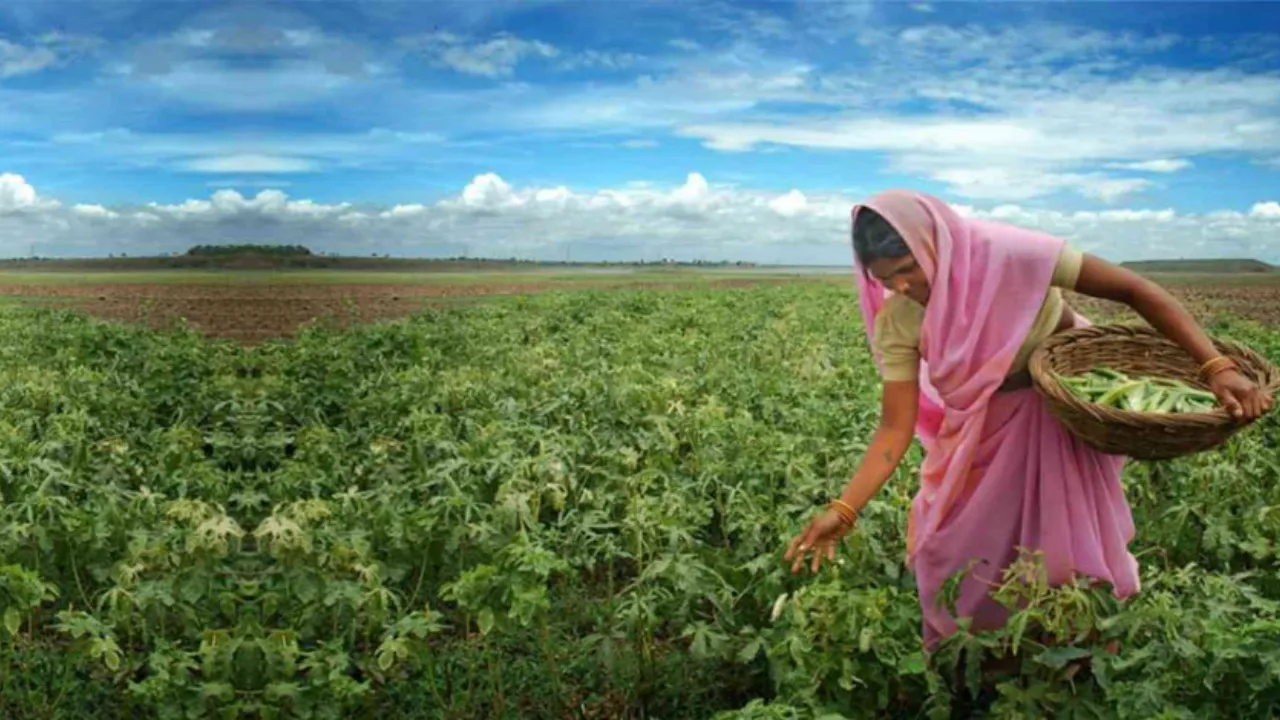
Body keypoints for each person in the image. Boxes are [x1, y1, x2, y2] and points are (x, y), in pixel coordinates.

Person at [784, 189, 1274, 652]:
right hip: (978, 433)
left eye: (907, 270)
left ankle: (1074, 664)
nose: (902, 287)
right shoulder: (898, 319)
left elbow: (1133, 289)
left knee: (1063, 556)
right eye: (885, 280)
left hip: (1055, 415)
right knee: (951, 551)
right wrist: (844, 510)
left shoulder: (1008, 254)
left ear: (932, 243)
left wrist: (1216, 367)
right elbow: (894, 427)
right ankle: (985, 662)